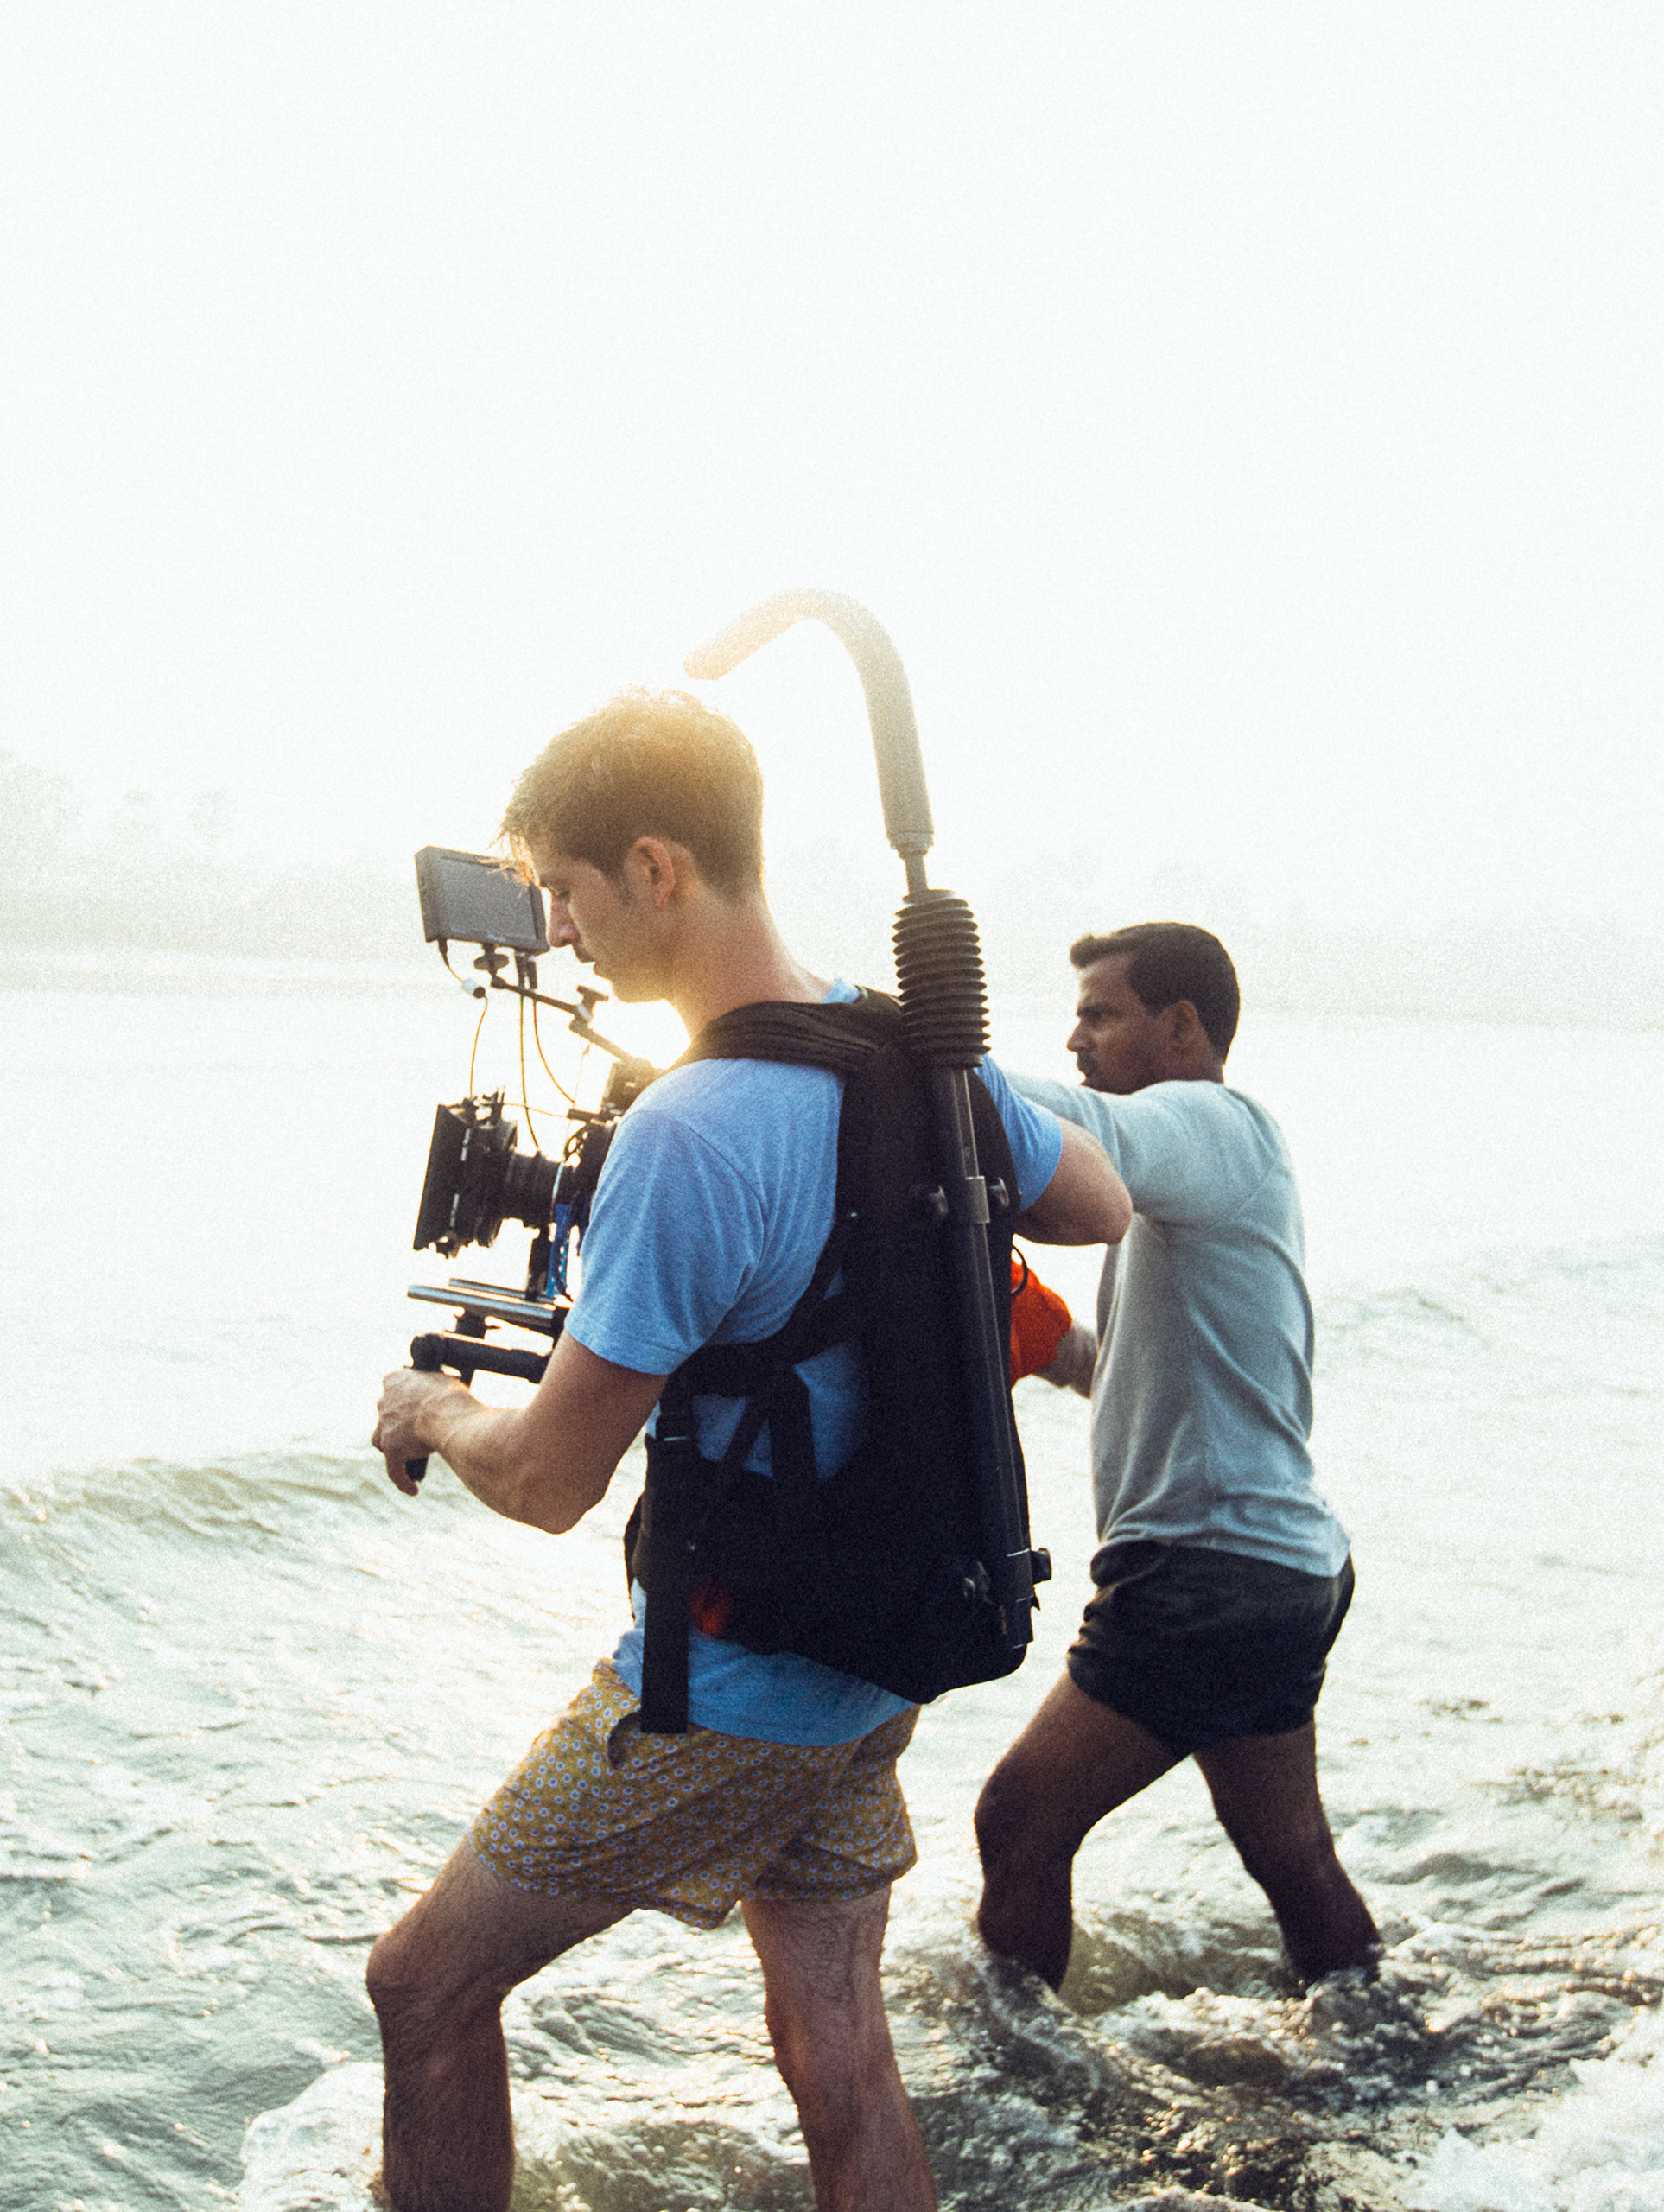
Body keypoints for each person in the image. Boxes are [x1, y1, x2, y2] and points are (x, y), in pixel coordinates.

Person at [365, 688, 1128, 2212]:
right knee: (835, 2046)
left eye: (568, 892)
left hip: (737, 1679)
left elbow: (549, 1482)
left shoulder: (692, 1129)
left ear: (656, 869)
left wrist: (430, 1408)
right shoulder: (914, 1050)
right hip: (887, 1645)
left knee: (422, 1988)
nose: (561, 933)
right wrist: (950, 1126)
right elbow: (1099, 1203)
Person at [975, 921, 1381, 1987]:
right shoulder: (1210, 1175)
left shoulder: (1208, 1121)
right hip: (1281, 1566)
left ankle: (1019, 2079)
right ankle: (1387, 2042)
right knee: (1291, 1858)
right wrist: (1048, 1341)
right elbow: (1153, 1371)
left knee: (1017, 1820)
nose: (1075, 1039)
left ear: (1183, 1027)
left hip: (1205, 1573)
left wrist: (919, 1057)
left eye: (1100, 1014)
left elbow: (1085, 1128)